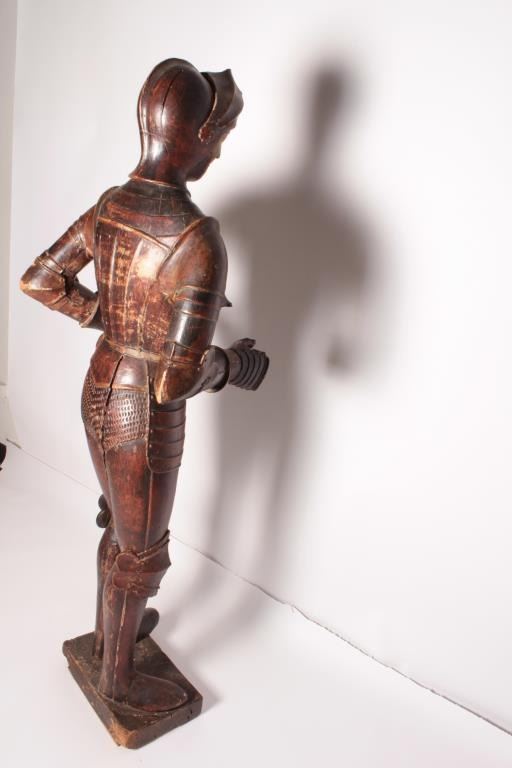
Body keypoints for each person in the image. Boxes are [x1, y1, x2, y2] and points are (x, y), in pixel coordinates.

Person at [20, 58, 268, 713]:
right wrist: (234, 365)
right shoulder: (197, 238)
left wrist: (110, 317)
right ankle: (118, 679)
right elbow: (177, 377)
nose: (218, 152)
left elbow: (41, 279)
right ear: (197, 135)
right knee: (143, 552)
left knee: (120, 528)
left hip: (98, 384)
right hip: (144, 411)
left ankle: (111, 638)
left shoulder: (111, 205)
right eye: (218, 136)